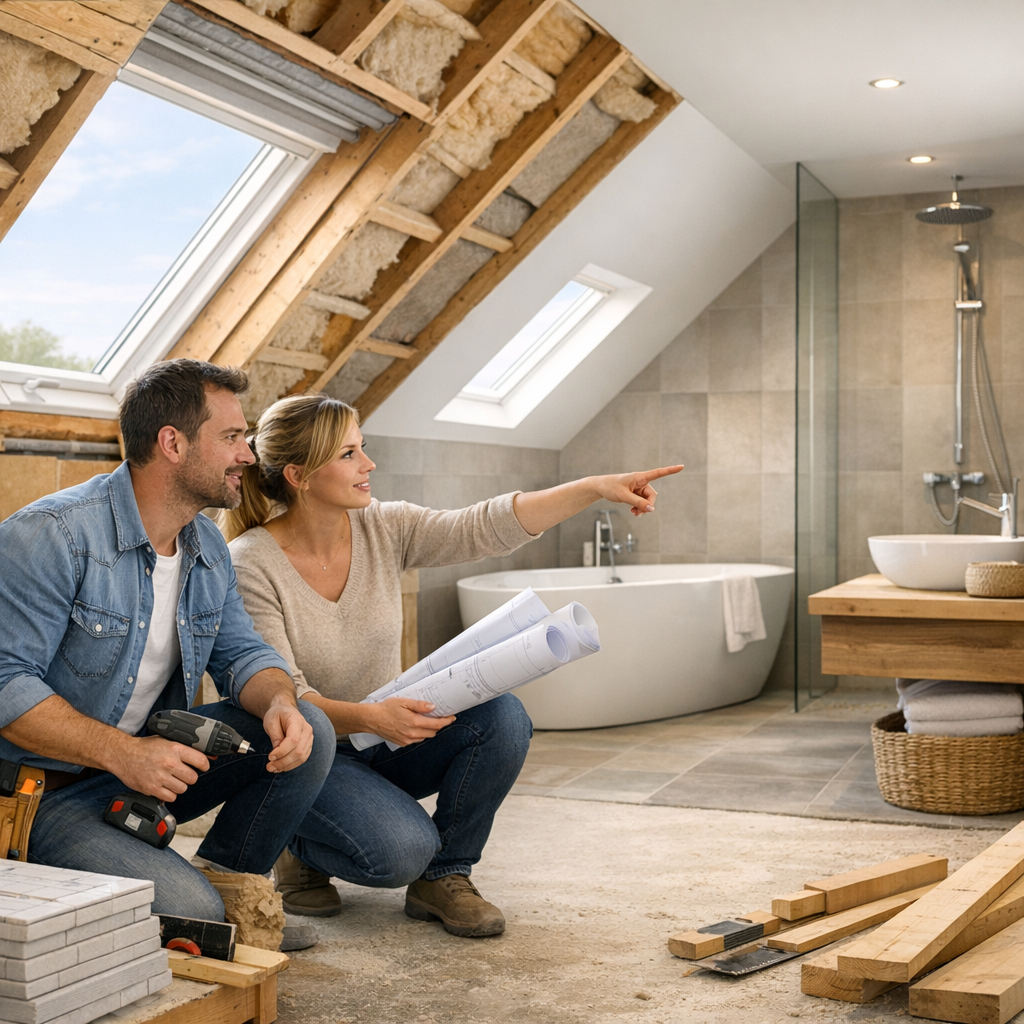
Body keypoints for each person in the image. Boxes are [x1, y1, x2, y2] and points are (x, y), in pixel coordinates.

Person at [222, 391, 681, 938]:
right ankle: (298, 845)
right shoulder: (251, 562)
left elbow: (481, 526)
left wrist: (591, 490)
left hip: (386, 738)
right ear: (298, 474)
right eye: (349, 455)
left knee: (503, 717)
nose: (368, 464)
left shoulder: (383, 528)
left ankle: (445, 876)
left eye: (362, 448)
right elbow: (283, 695)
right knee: (398, 853)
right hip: (311, 756)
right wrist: (372, 718)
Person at [0, 360, 335, 932]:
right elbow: (7, 685)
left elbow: (243, 653)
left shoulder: (205, 542)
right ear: (172, 443)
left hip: (138, 773)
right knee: (192, 913)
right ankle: (200, 907)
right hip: (39, 795)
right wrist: (124, 754)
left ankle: (229, 883)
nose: (248, 455)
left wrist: (280, 701)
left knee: (310, 726)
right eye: (231, 438)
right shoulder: (52, 535)